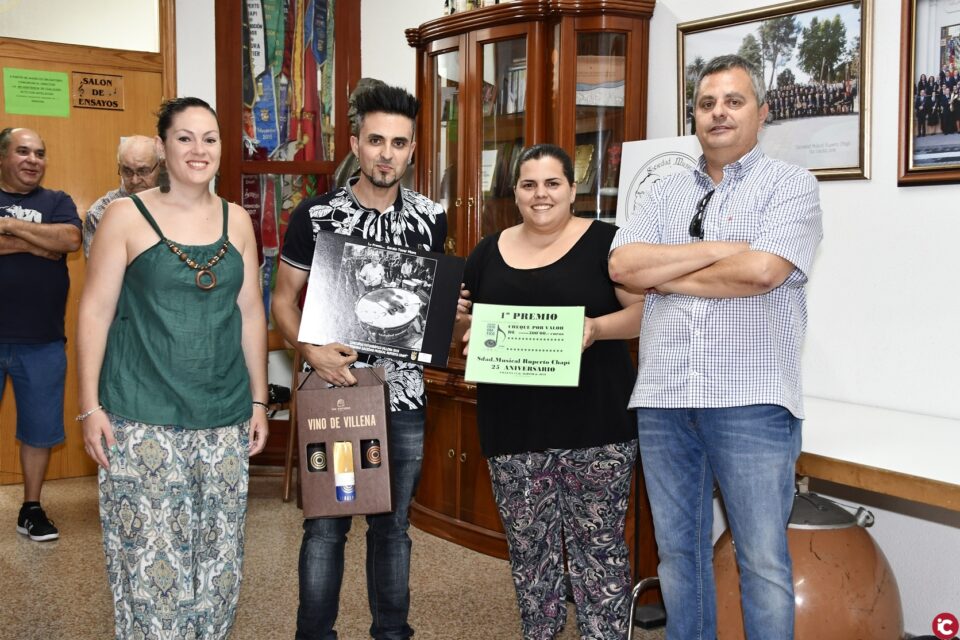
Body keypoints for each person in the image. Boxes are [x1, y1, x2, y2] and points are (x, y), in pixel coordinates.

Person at [608, 54, 823, 640]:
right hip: (663, 398)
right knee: (678, 558)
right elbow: (624, 266)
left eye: (733, 101)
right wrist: (715, 250)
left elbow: (759, 273)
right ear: (694, 116)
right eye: (706, 104)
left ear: (762, 112)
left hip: (750, 399)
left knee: (762, 563)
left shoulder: (792, 186)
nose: (718, 113)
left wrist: (665, 273)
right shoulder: (663, 192)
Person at [76, 97, 269, 639]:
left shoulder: (239, 220)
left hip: (224, 419)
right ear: (162, 147)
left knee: (218, 564)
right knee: (152, 567)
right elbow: (93, 312)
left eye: (210, 138)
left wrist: (259, 401)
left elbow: (250, 313)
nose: (199, 149)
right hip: (142, 421)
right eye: (184, 138)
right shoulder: (124, 216)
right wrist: (89, 405)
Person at [273, 82, 447, 640]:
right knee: (325, 526)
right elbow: (280, 300)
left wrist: (453, 310)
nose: (387, 153)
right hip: (335, 390)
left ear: (413, 149)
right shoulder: (317, 215)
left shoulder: (431, 218)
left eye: (399, 142)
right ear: (356, 143)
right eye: (376, 140)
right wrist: (307, 349)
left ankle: (392, 633)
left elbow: (425, 309)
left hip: (404, 398)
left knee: (393, 527)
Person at [461, 143, 645, 639]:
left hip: (597, 427)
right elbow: (465, 316)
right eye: (528, 184)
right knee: (529, 554)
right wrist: (460, 322)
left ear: (572, 188)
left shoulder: (610, 243)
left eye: (552, 183)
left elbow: (644, 313)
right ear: (514, 192)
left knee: (599, 551)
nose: (540, 194)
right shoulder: (486, 252)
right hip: (513, 429)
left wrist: (596, 330)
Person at [0, 127, 82, 542]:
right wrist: (37, 244)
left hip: (43, 339)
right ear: (2, 157)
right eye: (23, 151)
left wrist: (9, 228)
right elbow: (52, 244)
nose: (33, 159)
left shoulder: (58, 202)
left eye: (40, 153)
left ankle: (31, 509)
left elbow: (69, 239)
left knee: (39, 430)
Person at [82, 135, 160, 257]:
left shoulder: (175, 205)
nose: (134, 180)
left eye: (143, 171)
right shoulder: (100, 213)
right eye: (127, 171)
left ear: (159, 167)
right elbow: (101, 270)